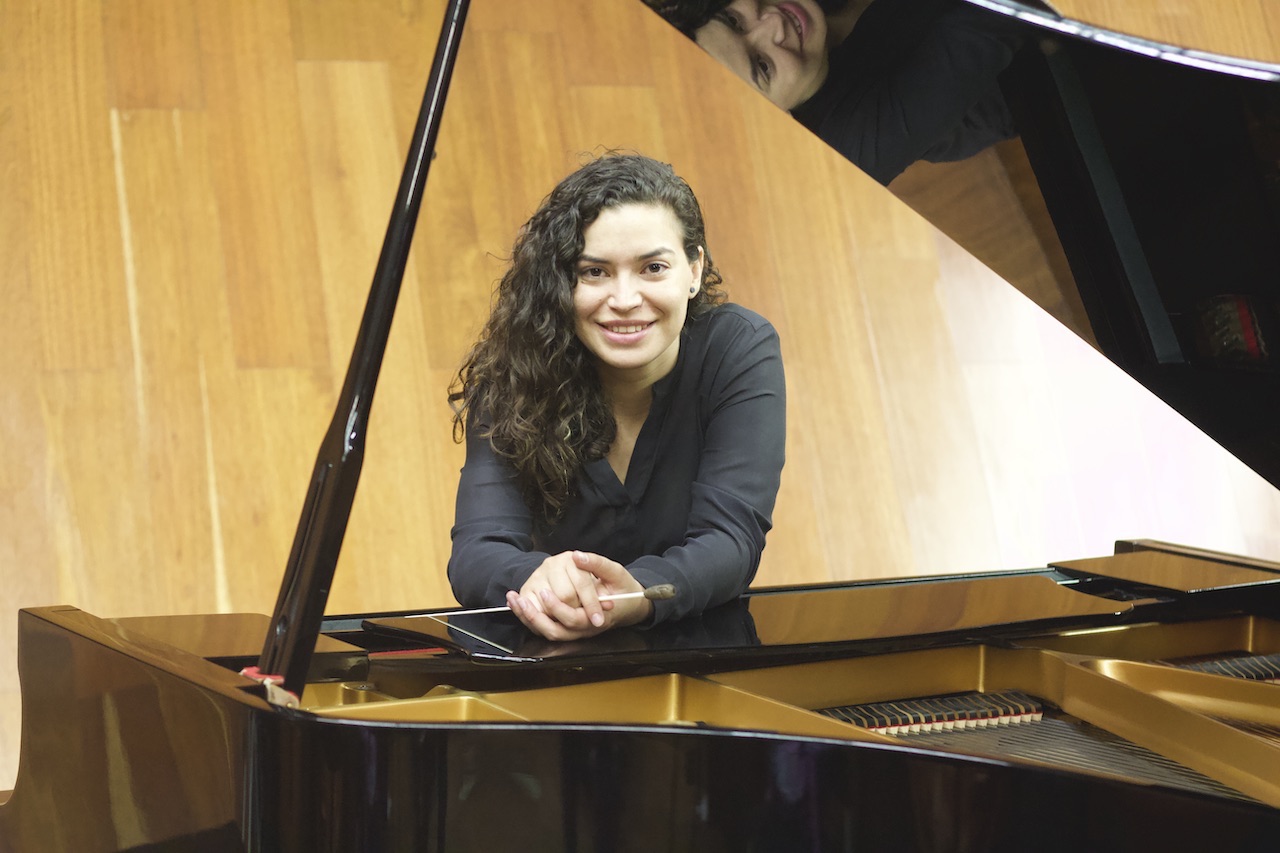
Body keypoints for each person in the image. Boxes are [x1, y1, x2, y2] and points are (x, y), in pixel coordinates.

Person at [448, 154, 786, 642]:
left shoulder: (737, 348)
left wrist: (638, 594)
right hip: (554, 656)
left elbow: (730, 539)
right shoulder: (515, 371)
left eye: (653, 267)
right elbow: (477, 552)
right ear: (561, 282)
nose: (625, 299)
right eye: (594, 272)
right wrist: (537, 578)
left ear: (694, 270)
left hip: (700, 652)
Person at [649, 0, 1021, 185]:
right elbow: (998, 18)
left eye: (733, 20)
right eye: (763, 66)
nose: (772, 23)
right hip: (1017, 67)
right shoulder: (858, 146)